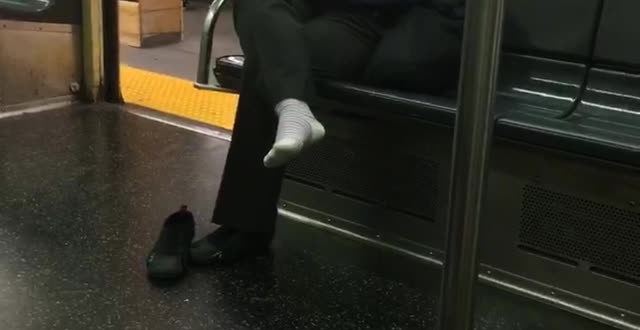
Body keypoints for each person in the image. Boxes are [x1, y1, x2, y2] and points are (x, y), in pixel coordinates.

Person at [147, 0, 465, 277]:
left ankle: (247, 225)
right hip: (347, 17)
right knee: (275, 45)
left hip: (414, 20)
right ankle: (293, 108)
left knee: (276, 54)